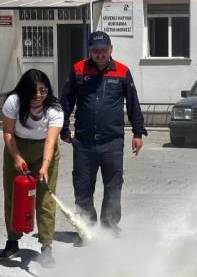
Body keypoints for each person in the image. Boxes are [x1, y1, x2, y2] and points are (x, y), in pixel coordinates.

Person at [61, 31, 147, 237]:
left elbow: (133, 103)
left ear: (111, 50)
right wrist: (63, 127)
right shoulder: (78, 70)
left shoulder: (122, 71)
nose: (100, 54)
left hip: (112, 142)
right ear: (90, 51)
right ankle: (87, 229)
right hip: (83, 142)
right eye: (95, 51)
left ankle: (109, 228)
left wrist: (137, 132)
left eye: (104, 50)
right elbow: (66, 101)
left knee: (113, 187)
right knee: (82, 188)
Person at [0, 69, 63, 267]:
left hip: (45, 151)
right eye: (33, 92)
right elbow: (8, 132)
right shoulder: (14, 102)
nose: (38, 96)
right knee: (13, 195)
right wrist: (17, 157)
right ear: (24, 91)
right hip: (17, 147)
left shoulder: (55, 108)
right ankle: (12, 240)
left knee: (45, 200)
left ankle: (46, 246)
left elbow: (51, 141)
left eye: (43, 91)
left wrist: (44, 166)